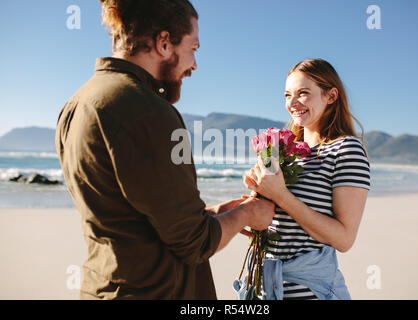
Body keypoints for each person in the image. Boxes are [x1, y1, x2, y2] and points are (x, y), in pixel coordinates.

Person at [55, 0, 275, 300]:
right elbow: (195, 243)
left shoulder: (75, 104)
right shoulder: (148, 110)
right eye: (193, 48)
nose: (194, 64)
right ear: (164, 43)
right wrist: (248, 213)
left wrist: (213, 213)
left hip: (101, 288)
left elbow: (130, 215)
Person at [243, 59, 370, 300]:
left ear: (331, 96)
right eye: (287, 95)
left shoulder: (346, 150)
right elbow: (285, 224)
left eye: (303, 93)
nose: (292, 103)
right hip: (265, 289)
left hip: (312, 293)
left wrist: (281, 195)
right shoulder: (285, 153)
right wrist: (252, 209)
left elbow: (344, 239)